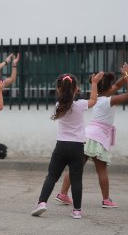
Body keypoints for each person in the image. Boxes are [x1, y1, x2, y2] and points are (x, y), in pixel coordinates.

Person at [54, 64, 128, 208]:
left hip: (87, 136)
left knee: (75, 167)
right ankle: (106, 200)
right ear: (109, 88)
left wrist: (127, 75)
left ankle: (63, 194)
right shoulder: (108, 100)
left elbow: (117, 84)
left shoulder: (99, 98)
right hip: (97, 138)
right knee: (101, 169)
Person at [31, 72, 103, 219]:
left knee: (52, 176)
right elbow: (94, 100)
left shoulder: (58, 106)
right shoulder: (80, 105)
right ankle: (77, 210)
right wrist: (94, 83)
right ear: (76, 89)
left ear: (59, 89)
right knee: (76, 179)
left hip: (61, 146)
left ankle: (42, 203)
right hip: (77, 148)